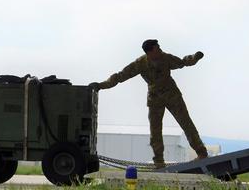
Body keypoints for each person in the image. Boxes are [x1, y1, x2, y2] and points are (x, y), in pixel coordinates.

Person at [89, 39, 208, 169]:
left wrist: (195, 58)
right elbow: (120, 76)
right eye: (157, 48)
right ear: (150, 52)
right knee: (155, 131)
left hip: (172, 95)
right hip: (155, 99)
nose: (160, 49)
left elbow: (182, 62)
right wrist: (101, 85)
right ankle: (159, 162)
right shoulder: (140, 63)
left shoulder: (165, 58)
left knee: (186, 123)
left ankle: (201, 153)